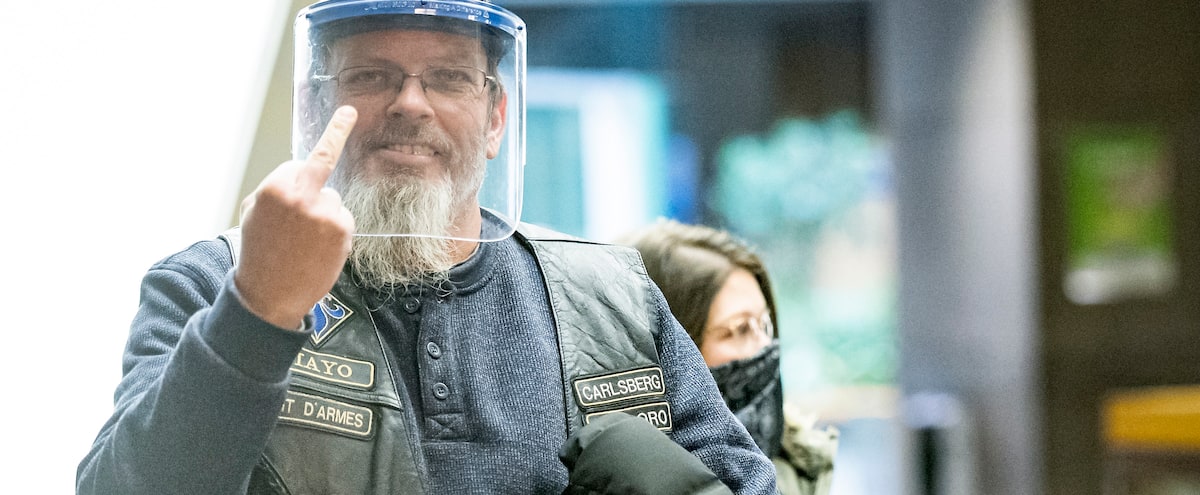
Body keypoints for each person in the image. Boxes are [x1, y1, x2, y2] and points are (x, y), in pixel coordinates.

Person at [75, 1, 775, 494]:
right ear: (316, 107)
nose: (410, 103)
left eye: (448, 77)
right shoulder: (210, 283)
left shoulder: (614, 294)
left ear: (495, 117)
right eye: (370, 75)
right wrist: (258, 310)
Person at [619, 219, 839, 495]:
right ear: (672, 344)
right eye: (740, 329)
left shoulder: (800, 467)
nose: (765, 345)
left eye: (765, 324)